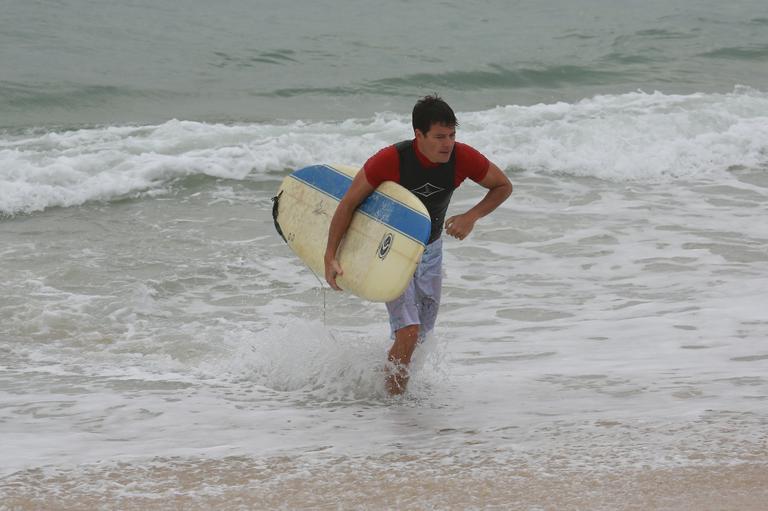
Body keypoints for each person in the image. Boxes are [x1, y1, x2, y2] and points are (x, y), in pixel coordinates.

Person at [324, 95, 513, 395]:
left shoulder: (462, 158)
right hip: (389, 250)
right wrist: (330, 255)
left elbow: (503, 186)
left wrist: (471, 216)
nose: (447, 143)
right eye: (439, 137)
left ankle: (380, 383)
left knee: (421, 334)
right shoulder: (391, 160)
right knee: (409, 332)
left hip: (430, 250)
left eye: (452, 135)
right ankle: (396, 405)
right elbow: (348, 203)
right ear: (419, 135)